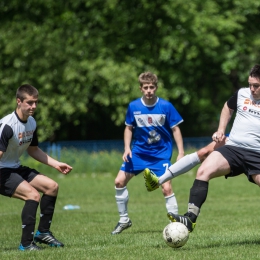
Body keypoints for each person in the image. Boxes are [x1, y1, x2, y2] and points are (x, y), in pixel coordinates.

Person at [165, 64, 260, 233]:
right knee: (203, 171)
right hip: (233, 148)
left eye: (256, 86)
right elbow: (227, 107)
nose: (252, 89)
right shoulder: (242, 94)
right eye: (250, 84)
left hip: (257, 154)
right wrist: (221, 129)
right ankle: (190, 219)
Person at [0, 84, 73, 251]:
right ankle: (26, 244)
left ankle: (43, 233)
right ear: (18, 101)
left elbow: (33, 150)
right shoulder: (8, 126)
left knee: (52, 187)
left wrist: (56, 164)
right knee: (32, 195)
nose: (33, 106)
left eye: (36, 103)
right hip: (2, 170)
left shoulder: (31, 123)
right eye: (30, 103)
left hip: (15, 167)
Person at [111, 71, 185, 235]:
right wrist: (127, 148)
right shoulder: (134, 106)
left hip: (161, 155)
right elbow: (128, 128)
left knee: (166, 187)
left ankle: (175, 226)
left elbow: (176, 129)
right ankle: (124, 220)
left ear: (156, 87)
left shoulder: (166, 106)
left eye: (152, 87)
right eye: (146, 87)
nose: (149, 90)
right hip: (138, 153)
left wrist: (181, 152)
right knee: (119, 182)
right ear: (141, 89)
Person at [144, 138, 227, 191]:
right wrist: (221, 129)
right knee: (203, 152)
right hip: (234, 138)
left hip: (240, 144)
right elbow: (227, 110)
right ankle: (158, 181)